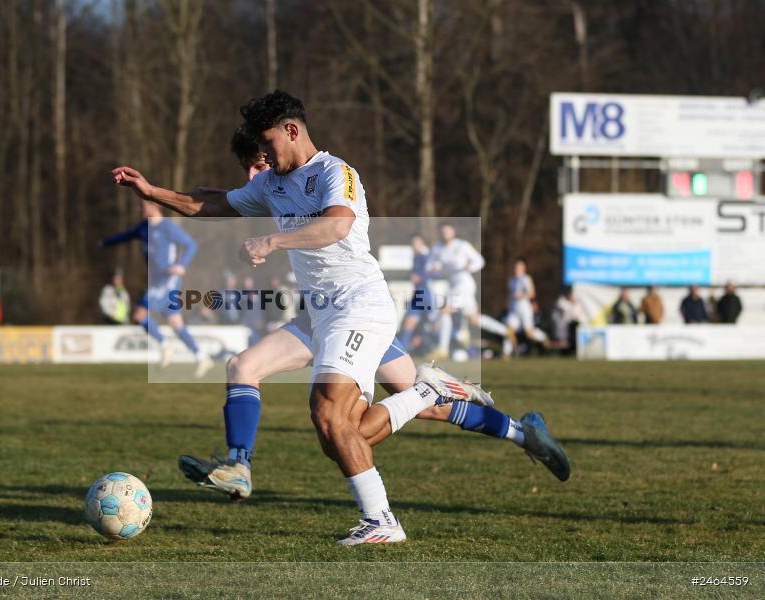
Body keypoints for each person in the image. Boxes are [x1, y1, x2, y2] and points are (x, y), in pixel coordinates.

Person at [112, 92, 569, 544]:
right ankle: (240, 465)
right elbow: (210, 203)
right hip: (321, 314)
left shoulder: (335, 172)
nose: (265, 159)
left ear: (292, 131)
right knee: (257, 375)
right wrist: (151, 191)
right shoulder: (271, 184)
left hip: (358, 305)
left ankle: (384, 518)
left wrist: (273, 242)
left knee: (333, 416)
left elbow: (337, 224)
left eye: (268, 146)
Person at [101, 201, 214, 377]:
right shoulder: (143, 228)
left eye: (143, 206)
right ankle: (202, 357)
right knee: (175, 322)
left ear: (155, 206)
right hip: (158, 281)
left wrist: (181, 265)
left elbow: (191, 245)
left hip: (168, 280)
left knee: (139, 315)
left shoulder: (167, 227)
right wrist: (104, 242)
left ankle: (165, 345)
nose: (140, 209)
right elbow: (125, 236)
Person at [427, 223, 484, 359]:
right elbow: (429, 266)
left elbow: (480, 261)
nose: (445, 233)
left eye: (448, 231)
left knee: (445, 310)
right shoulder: (438, 248)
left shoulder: (462, 245)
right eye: (443, 231)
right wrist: (434, 268)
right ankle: (505, 331)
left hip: (464, 284)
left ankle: (443, 349)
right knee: (474, 319)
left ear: (453, 231)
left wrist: (470, 266)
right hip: (453, 286)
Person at [398, 233, 435, 353]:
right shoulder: (416, 257)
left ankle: (444, 348)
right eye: (413, 244)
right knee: (410, 321)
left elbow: (435, 272)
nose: (415, 246)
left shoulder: (426, 256)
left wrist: (421, 277)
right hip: (419, 294)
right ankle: (402, 349)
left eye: (417, 243)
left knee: (432, 324)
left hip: (427, 294)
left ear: (422, 243)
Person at [503, 258, 548, 355]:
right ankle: (507, 353)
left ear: (524, 268)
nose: (517, 268)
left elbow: (532, 293)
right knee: (509, 331)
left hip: (524, 308)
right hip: (514, 309)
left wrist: (521, 295)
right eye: (516, 266)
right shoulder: (512, 280)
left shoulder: (526, 279)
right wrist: (508, 305)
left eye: (519, 267)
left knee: (529, 333)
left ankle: (543, 337)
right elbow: (510, 295)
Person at [550, 286, 584, 353]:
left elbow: (576, 315)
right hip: (562, 326)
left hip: (572, 325)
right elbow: (564, 310)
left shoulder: (576, 304)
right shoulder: (561, 301)